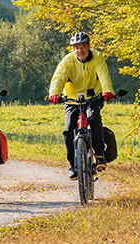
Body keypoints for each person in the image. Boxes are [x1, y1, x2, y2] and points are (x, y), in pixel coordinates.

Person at [48, 32, 114, 180]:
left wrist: (107, 91)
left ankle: (99, 156)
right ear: (73, 49)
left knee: (93, 118)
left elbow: (103, 74)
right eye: (76, 48)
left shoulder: (97, 57)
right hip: (72, 99)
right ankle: (73, 165)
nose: (80, 51)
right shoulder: (68, 61)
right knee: (68, 129)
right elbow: (58, 77)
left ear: (88, 46)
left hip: (93, 97)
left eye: (82, 47)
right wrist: (55, 93)